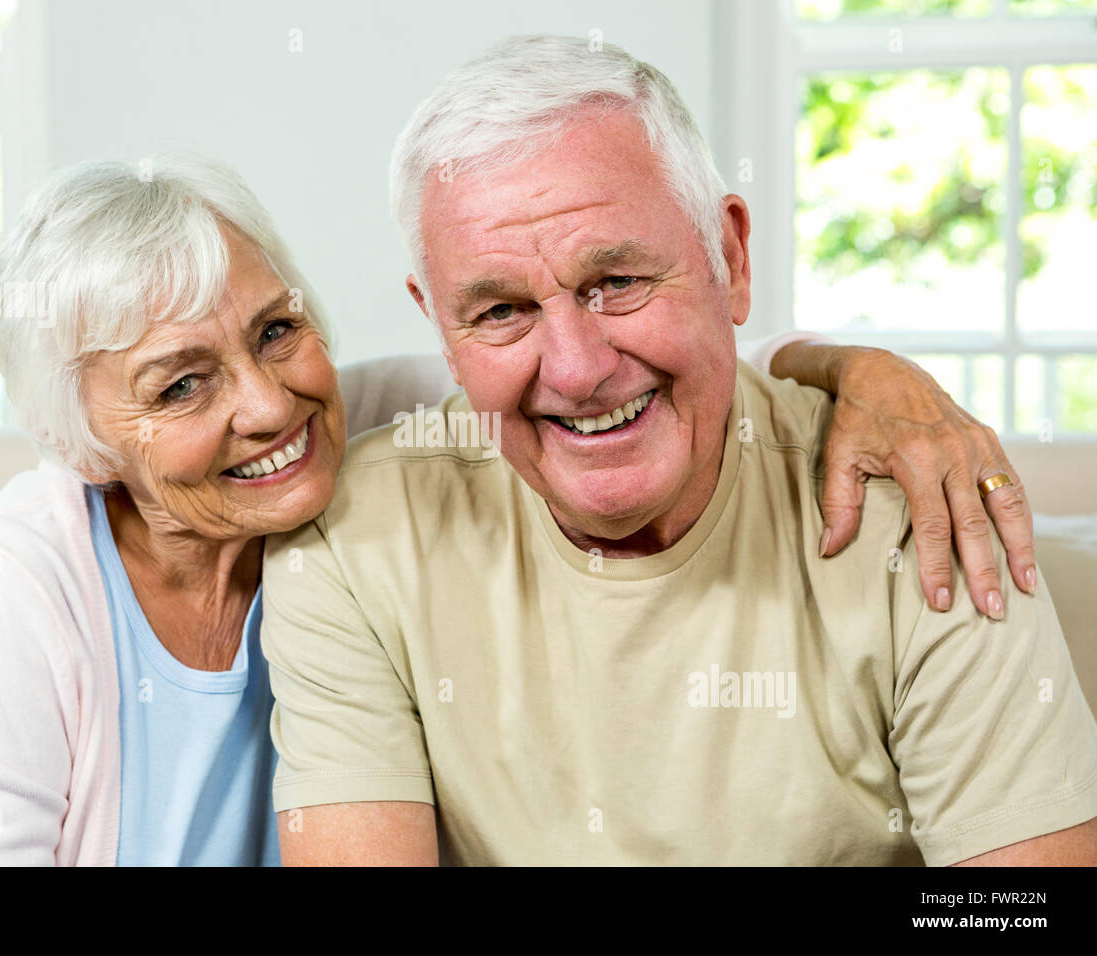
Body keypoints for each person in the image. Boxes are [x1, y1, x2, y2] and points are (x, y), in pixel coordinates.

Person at [261, 35, 1097, 866]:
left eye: (617, 282)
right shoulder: (348, 540)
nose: (579, 370)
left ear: (729, 258)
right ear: (441, 328)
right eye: (501, 311)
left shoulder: (921, 498)